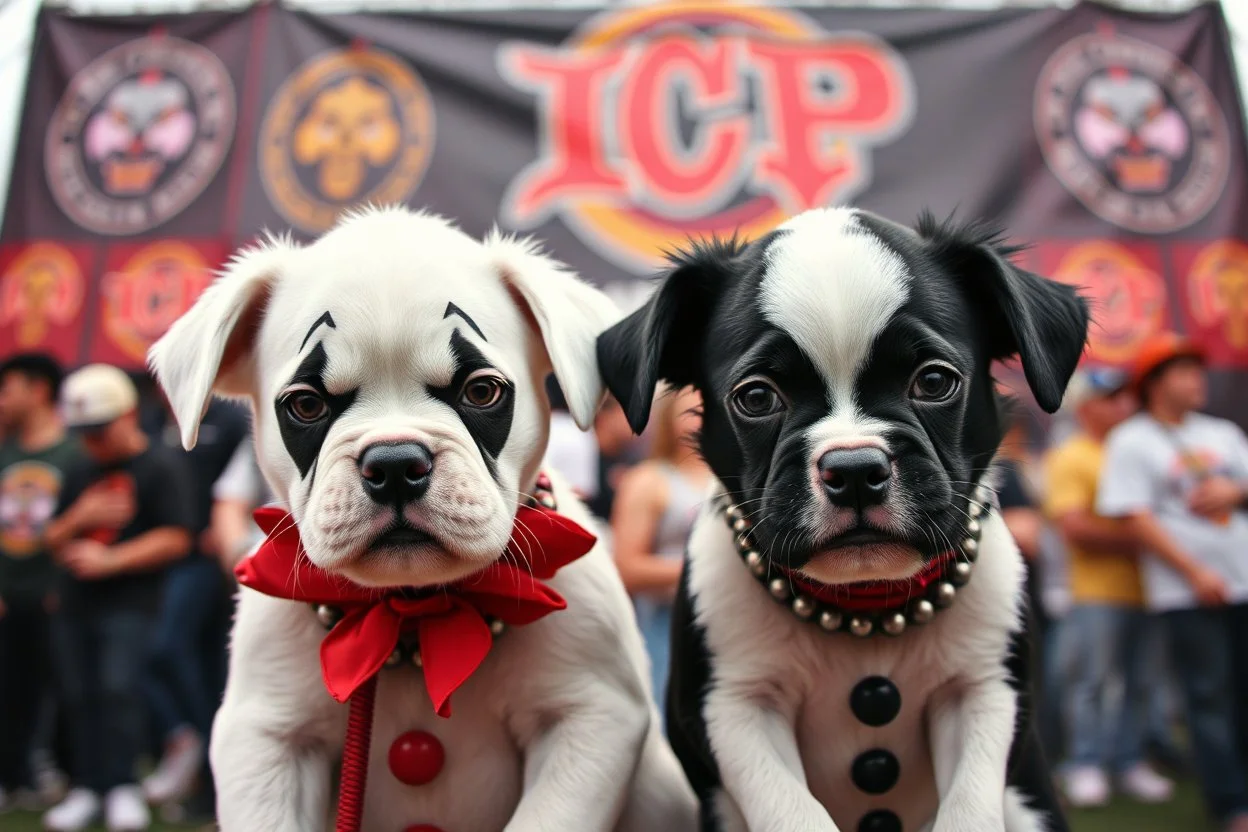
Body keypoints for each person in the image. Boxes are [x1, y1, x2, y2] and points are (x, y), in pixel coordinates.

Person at [1098, 332, 1248, 832]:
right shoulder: (1131, 439)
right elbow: (1134, 517)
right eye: (1184, 372)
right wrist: (1195, 572)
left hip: (1243, 583)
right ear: (1155, 383)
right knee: (1207, 697)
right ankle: (1231, 805)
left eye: (1198, 370)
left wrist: (1236, 489)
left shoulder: (1223, 432)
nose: (1197, 380)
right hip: (1186, 593)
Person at [41, 365, 193, 832]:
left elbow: (178, 536)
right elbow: (49, 537)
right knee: (77, 693)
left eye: (100, 431)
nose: (92, 442)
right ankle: (87, 787)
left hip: (132, 602)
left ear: (128, 415)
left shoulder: (161, 464)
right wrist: (79, 517)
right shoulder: (77, 467)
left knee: (118, 689)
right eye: (84, 433)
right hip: (74, 602)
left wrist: (113, 560)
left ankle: (123, 784)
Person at [1044, 369, 1175, 806]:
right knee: (1092, 683)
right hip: (1096, 592)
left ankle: (1128, 761)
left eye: (1124, 397)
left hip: (1154, 589)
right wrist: (1153, 538)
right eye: (1109, 398)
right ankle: (1085, 763)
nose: (1122, 405)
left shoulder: (1138, 451)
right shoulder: (1072, 455)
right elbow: (1074, 528)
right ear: (1084, 408)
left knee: (1143, 684)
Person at [141, 397, 248, 816]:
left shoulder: (232, 417)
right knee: (165, 657)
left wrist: (224, 536)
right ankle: (184, 741)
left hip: (207, 562)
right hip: (159, 559)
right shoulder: (150, 418)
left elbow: (242, 488)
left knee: (179, 653)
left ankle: (201, 760)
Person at [0, 354, 81, 811]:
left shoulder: (73, 453)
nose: (2, 400)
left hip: (56, 596)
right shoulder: (5, 451)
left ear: (38, 390)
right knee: (9, 689)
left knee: (63, 690)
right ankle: (10, 776)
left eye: (8, 388)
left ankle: (58, 774)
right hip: (8, 596)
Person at [610, 386, 710, 704]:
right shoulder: (649, 480)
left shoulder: (741, 478)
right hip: (664, 629)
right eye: (693, 411)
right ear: (671, 417)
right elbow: (626, 568)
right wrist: (711, 569)